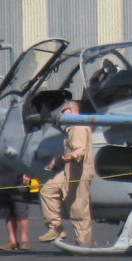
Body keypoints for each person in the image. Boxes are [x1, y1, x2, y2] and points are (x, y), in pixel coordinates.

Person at [39, 100, 94, 246]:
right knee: (48, 190)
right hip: (68, 170)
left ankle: (83, 244)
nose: (62, 115)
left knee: (79, 210)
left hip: (79, 172)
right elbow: (68, 150)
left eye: (64, 111)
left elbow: (80, 149)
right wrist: (55, 163)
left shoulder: (79, 126)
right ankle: (55, 227)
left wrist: (73, 156)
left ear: (70, 111)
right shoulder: (70, 128)